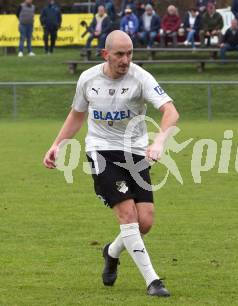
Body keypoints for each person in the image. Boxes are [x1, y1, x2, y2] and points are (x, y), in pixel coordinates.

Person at [43, 30, 179, 298]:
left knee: (145, 222)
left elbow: (171, 111)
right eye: (119, 54)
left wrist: (160, 140)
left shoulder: (140, 77)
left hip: (136, 153)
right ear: (105, 54)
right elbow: (77, 115)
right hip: (101, 151)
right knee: (127, 214)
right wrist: (57, 144)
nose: (125, 59)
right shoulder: (88, 79)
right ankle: (153, 281)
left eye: (129, 53)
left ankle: (112, 251)